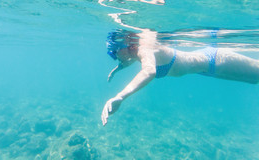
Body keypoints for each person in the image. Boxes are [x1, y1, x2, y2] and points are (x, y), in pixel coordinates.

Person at [101, 29, 259, 126]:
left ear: (126, 46)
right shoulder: (134, 54)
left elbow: (149, 71)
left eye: (114, 52)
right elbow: (127, 61)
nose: (114, 56)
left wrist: (120, 96)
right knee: (254, 79)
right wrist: (117, 69)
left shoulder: (145, 50)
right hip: (204, 69)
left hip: (214, 60)